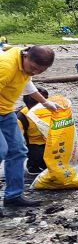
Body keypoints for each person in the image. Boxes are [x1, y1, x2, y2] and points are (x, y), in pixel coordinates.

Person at [0, 46, 59, 211]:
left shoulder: (24, 65)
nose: (34, 73)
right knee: (1, 151)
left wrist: (45, 102)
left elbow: (28, 83)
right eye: (33, 68)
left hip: (5, 111)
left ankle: (13, 196)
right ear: (26, 56)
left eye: (40, 71)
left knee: (18, 151)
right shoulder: (5, 66)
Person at [16, 88, 49, 175]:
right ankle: (32, 165)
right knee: (38, 157)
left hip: (50, 141)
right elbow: (18, 138)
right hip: (33, 143)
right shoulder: (22, 116)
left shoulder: (50, 109)